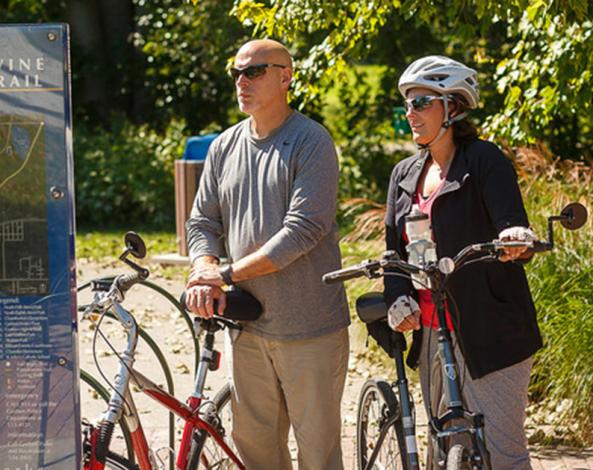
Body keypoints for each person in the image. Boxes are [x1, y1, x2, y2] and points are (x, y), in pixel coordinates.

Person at [184, 39, 350, 470]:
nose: (242, 80)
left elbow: (303, 230)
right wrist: (204, 267)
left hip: (309, 327)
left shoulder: (311, 141)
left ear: (285, 76)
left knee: (318, 455)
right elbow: (202, 223)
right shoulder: (224, 146)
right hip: (246, 327)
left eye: (255, 71)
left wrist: (226, 275)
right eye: (237, 72)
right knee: (257, 451)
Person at [379, 55, 541, 469]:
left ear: (452, 107)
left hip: (490, 330)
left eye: (421, 103)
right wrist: (398, 294)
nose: (410, 113)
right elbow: (393, 252)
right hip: (433, 330)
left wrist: (514, 238)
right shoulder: (404, 173)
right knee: (440, 449)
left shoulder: (484, 161)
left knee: (502, 453)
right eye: (408, 104)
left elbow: (511, 224)